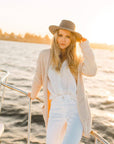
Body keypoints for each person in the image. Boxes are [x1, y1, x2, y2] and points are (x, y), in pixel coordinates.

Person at [28, 19, 97, 144]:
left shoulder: (77, 59)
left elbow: (92, 71)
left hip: (76, 109)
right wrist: (33, 94)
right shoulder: (45, 55)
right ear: (55, 37)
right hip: (55, 108)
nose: (63, 39)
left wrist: (84, 44)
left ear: (72, 41)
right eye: (60, 35)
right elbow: (38, 77)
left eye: (67, 37)